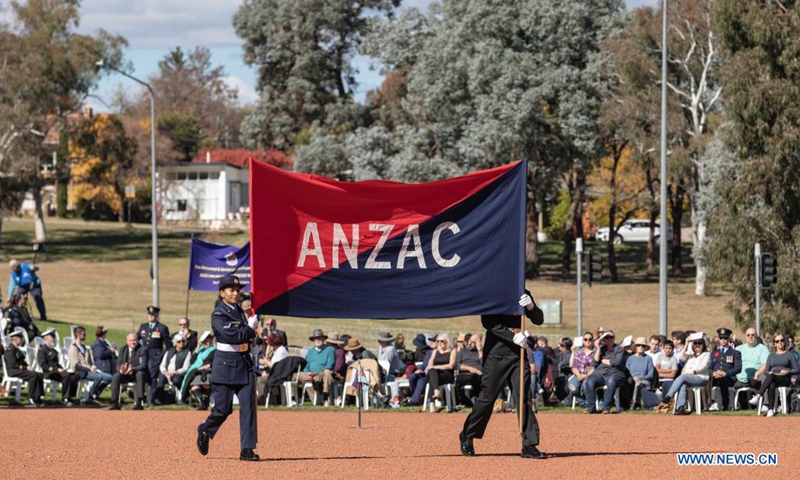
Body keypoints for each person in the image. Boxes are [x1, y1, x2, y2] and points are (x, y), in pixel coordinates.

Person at [460, 291, 546, 459]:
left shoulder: (522, 292)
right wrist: (512, 336)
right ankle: (468, 434)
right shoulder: (493, 292)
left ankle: (529, 444)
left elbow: (539, 319)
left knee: (523, 398)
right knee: (487, 398)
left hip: (518, 356)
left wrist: (531, 306)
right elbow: (489, 322)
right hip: (496, 355)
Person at [197, 275, 259, 461]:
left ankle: (247, 449)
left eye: (237, 290)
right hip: (225, 366)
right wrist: (250, 329)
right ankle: (205, 430)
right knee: (223, 410)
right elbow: (232, 335)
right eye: (231, 290)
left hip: (244, 363)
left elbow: (245, 338)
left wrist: (253, 340)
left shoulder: (240, 311)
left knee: (248, 408)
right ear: (222, 293)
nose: (235, 293)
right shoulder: (218, 313)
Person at [657, 332, 710, 415]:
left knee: (682, 378)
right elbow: (681, 357)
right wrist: (686, 344)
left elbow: (704, 366)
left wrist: (691, 372)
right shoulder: (690, 355)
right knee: (682, 384)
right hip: (688, 378)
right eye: (695, 343)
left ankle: (669, 396)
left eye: (699, 343)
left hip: (701, 378)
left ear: (703, 345)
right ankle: (681, 407)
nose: (697, 345)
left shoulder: (706, 354)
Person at [748, 332, 800, 417]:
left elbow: (797, 369)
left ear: (784, 342)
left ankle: (758, 396)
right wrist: (769, 373)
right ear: (774, 344)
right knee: (771, 383)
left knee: (771, 377)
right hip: (773, 378)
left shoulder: (789, 354)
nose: (780, 342)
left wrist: (788, 371)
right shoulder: (771, 356)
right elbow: (766, 371)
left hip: (785, 379)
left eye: (782, 340)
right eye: (777, 341)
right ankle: (770, 410)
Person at [68, 326, 112, 406]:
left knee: (109, 377)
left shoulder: (84, 347)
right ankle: (89, 397)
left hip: (89, 371)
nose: (85, 335)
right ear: (78, 334)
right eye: (83, 333)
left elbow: (89, 362)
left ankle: (94, 394)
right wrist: (89, 369)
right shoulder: (73, 348)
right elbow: (75, 365)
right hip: (79, 372)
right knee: (98, 377)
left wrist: (92, 366)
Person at [137, 305, 172, 406]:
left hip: (156, 356)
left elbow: (168, 345)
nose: (150, 316)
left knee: (152, 376)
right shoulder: (143, 327)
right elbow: (138, 339)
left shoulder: (162, 328)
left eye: (153, 314)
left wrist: (163, 355)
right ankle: (143, 397)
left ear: (157, 315)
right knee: (144, 374)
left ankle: (151, 398)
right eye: (149, 314)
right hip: (144, 355)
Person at [584, 330, 625, 414]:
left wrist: (606, 361)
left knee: (611, 381)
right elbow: (594, 362)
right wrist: (598, 348)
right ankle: (591, 408)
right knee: (589, 381)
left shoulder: (619, 349)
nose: (609, 339)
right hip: (600, 374)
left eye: (611, 337)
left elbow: (617, 362)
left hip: (615, 373)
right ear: (603, 339)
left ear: (614, 338)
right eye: (606, 337)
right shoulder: (601, 349)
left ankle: (606, 408)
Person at [108, 333, 149, 410]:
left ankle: (139, 402)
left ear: (137, 341)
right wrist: (121, 370)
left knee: (140, 374)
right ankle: (114, 402)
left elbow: (143, 365)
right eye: (130, 340)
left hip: (138, 374)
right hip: (125, 375)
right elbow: (118, 364)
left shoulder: (143, 349)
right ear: (127, 341)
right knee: (116, 376)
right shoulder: (123, 349)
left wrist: (132, 369)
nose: (133, 342)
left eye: (134, 340)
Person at [4, 330, 44, 406]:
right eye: (20, 338)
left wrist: (28, 366)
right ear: (15, 339)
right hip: (13, 371)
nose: (22, 340)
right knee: (33, 375)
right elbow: (14, 365)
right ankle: (31, 397)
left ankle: (38, 396)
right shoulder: (10, 350)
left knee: (39, 374)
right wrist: (26, 368)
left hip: (19, 370)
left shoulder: (16, 349)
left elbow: (22, 361)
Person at [37, 328, 75, 406]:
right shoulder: (42, 350)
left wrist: (62, 368)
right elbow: (43, 365)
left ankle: (70, 397)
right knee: (66, 375)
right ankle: (65, 397)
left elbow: (56, 363)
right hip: (48, 372)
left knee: (72, 375)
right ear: (46, 338)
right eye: (52, 337)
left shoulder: (53, 351)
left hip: (56, 371)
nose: (53, 339)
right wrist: (56, 369)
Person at [298, 329, 335, 406]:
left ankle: (325, 397)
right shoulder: (311, 351)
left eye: (320, 338)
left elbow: (330, 365)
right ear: (313, 340)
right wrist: (307, 373)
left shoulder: (330, 350)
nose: (318, 340)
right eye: (316, 338)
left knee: (327, 372)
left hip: (322, 373)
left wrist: (315, 373)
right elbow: (306, 365)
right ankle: (293, 400)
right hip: (310, 374)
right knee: (295, 374)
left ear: (323, 339)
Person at [708, 327, 742, 411]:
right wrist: (713, 373)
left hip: (729, 378)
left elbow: (738, 368)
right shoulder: (714, 353)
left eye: (725, 338)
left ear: (728, 339)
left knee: (723, 379)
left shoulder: (735, 353)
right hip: (715, 377)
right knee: (706, 380)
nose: (723, 340)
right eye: (721, 338)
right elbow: (709, 367)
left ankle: (725, 404)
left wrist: (726, 373)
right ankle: (708, 404)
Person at [734, 327, 770, 403]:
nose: (751, 337)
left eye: (753, 335)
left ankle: (765, 404)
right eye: (748, 335)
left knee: (767, 377)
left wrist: (757, 374)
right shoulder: (738, 349)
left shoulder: (762, 348)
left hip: (756, 379)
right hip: (739, 378)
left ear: (756, 336)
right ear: (745, 337)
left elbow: (766, 364)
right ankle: (725, 406)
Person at [182, 331, 215, 410]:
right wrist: (197, 349)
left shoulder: (214, 350)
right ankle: (201, 404)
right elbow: (192, 361)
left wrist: (208, 366)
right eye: (204, 342)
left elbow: (214, 362)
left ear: (210, 340)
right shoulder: (200, 351)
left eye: (207, 341)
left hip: (208, 371)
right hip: (197, 372)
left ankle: (206, 402)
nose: (205, 343)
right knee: (194, 386)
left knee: (205, 384)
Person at [156, 333, 192, 404]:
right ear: (175, 343)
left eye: (183, 341)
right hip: (167, 373)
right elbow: (162, 365)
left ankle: (183, 397)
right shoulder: (169, 352)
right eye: (179, 341)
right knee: (161, 379)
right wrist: (165, 372)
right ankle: (159, 399)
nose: (181, 343)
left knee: (176, 381)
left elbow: (186, 368)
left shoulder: (187, 353)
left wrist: (175, 372)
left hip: (179, 374)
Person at [426, 333, 457, 412]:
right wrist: (432, 368)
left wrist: (436, 367)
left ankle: (432, 404)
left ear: (447, 341)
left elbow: (451, 366)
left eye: (442, 341)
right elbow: (430, 366)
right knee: (432, 373)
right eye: (438, 341)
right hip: (436, 375)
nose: (439, 343)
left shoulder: (452, 351)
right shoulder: (435, 351)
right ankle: (436, 392)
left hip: (447, 375)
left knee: (432, 378)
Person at [626, 337, 658, 409]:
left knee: (638, 384)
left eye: (643, 346)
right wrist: (633, 378)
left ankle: (634, 403)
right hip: (631, 380)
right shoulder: (630, 358)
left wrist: (640, 378)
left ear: (646, 347)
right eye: (639, 345)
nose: (641, 347)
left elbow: (650, 374)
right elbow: (627, 371)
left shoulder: (648, 359)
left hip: (644, 381)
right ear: (635, 347)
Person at [567, 332, 595, 408]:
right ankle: (583, 402)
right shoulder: (579, 352)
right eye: (585, 339)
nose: (588, 341)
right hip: (578, 374)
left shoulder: (595, 352)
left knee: (586, 385)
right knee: (572, 386)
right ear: (583, 341)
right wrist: (579, 375)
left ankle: (589, 403)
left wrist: (585, 376)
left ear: (593, 340)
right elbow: (574, 366)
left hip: (590, 375)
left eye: (590, 339)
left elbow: (595, 367)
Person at [455, 333, 483, 407]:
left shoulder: (482, 352)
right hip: (465, 374)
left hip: (478, 376)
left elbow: (484, 365)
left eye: (473, 342)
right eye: (470, 340)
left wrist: (479, 349)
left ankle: (478, 403)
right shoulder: (463, 351)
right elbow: (457, 365)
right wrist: (471, 369)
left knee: (477, 380)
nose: (470, 343)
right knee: (457, 383)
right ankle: (467, 403)